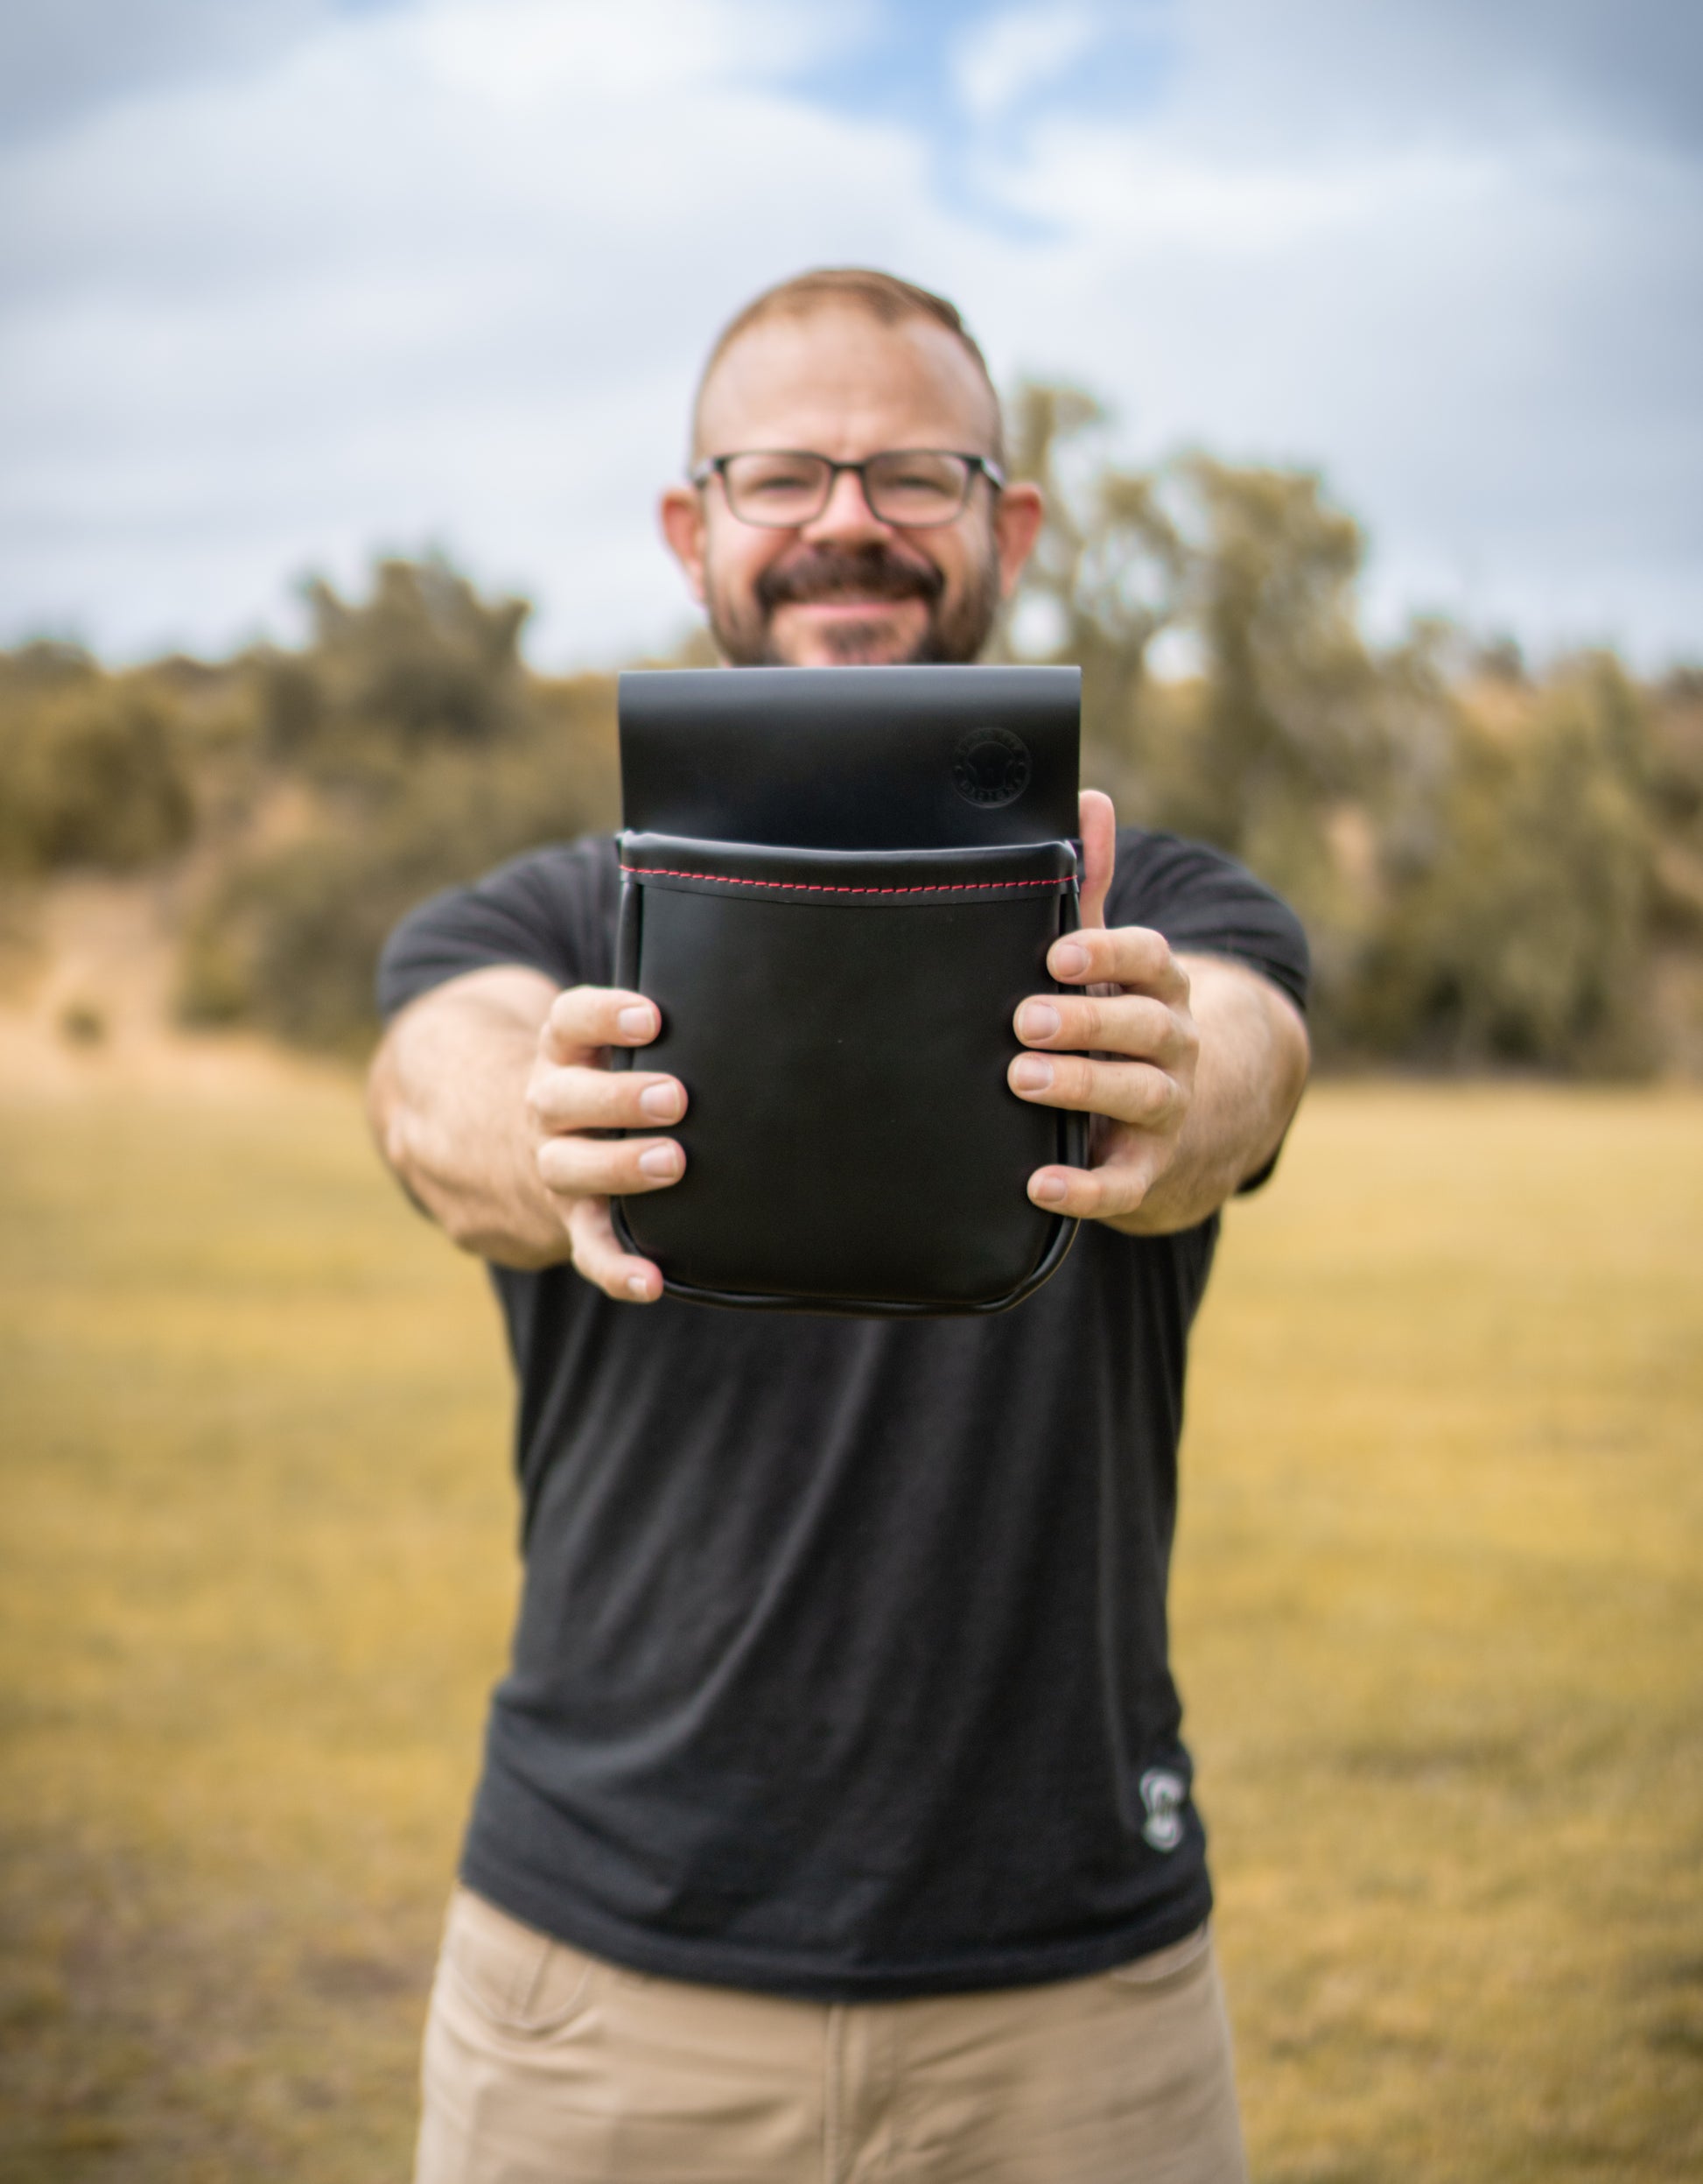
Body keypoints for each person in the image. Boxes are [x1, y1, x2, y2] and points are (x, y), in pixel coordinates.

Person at [370, 267, 1311, 2184]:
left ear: (1010, 525)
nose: (846, 524)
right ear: (691, 528)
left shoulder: (1159, 900)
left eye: (913, 473)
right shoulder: (552, 921)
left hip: (1078, 2013)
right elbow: (434, 1090)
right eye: (782, 475)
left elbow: (1243, 1062)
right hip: (599, 1994)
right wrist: (550, 1138)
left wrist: (1165, 1078)